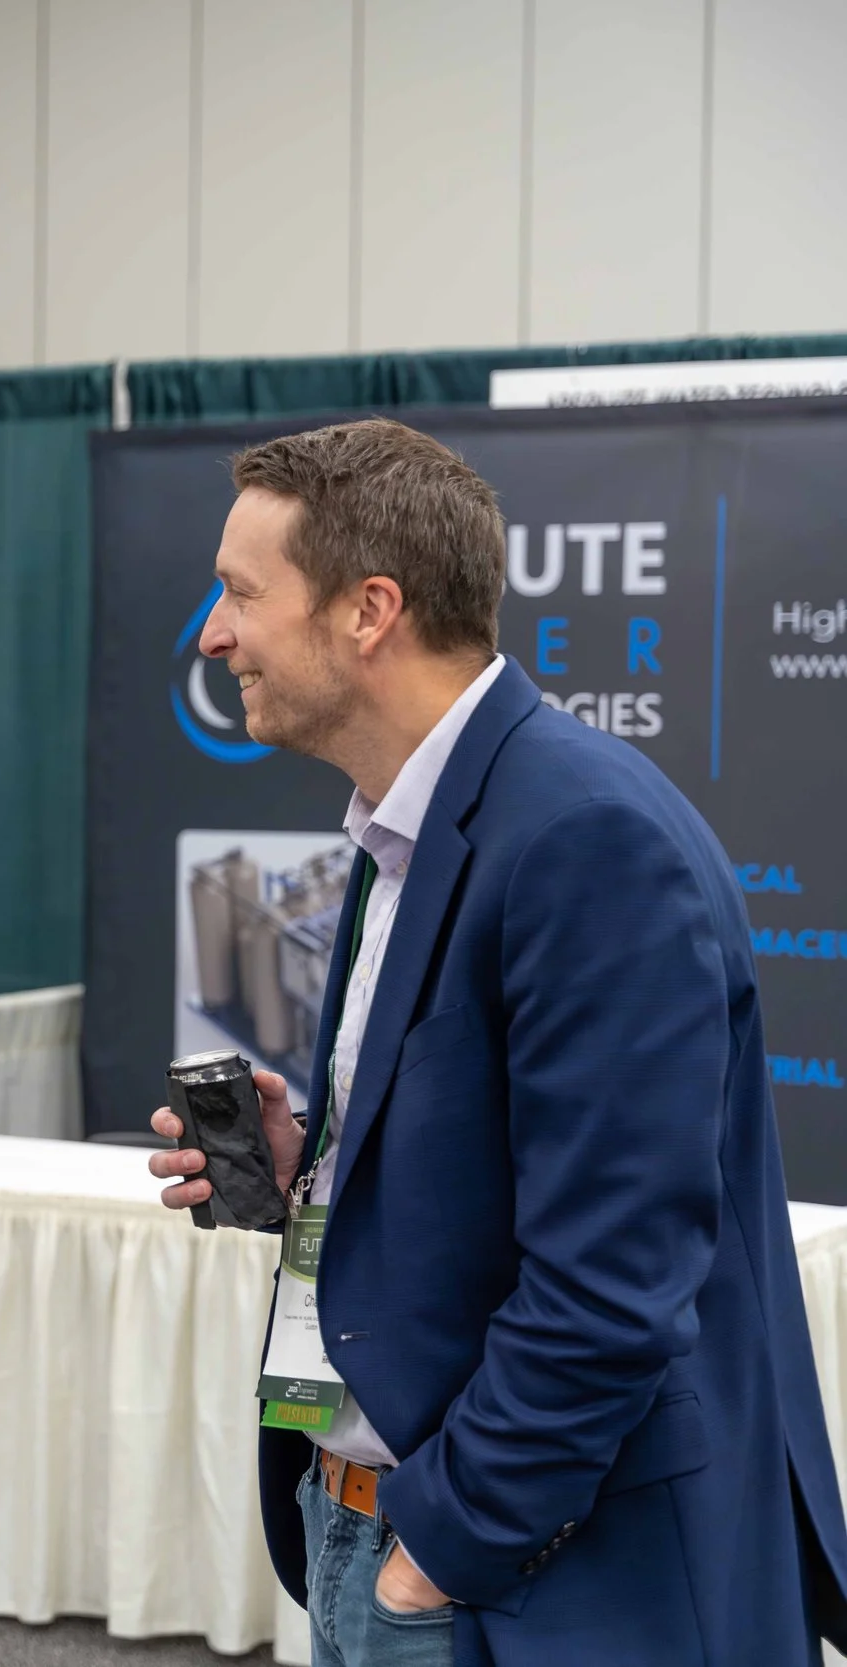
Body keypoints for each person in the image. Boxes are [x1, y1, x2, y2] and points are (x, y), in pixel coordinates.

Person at [146, 419, 847, 1665]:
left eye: (242, 593)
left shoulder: (586, 839)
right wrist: (311, 1163)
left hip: (528, 1587)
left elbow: (612, 1283)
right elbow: (499, 1171)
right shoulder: (401, 829)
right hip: (378, 1536)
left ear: (369, 610)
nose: (213, 633)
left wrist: (438, 1556)